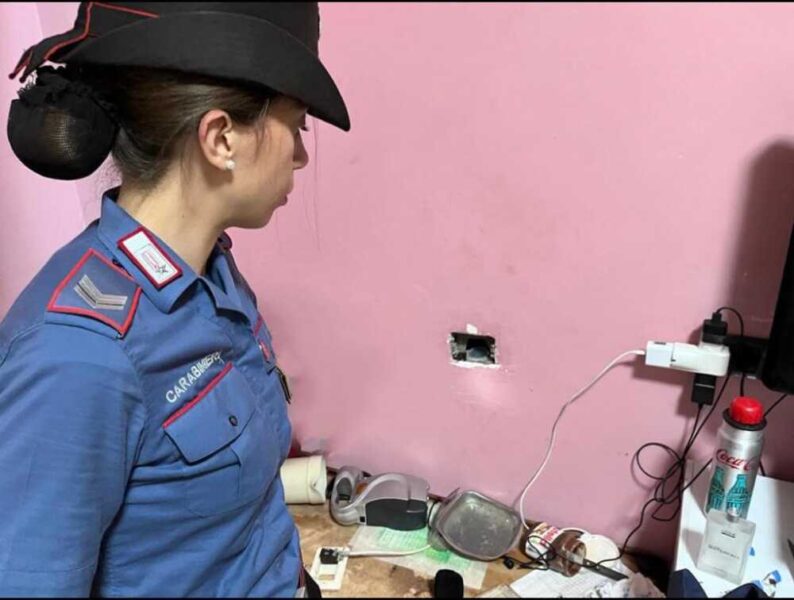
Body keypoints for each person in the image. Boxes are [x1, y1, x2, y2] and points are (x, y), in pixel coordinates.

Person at [0, 2, 349, 597]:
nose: (300, 155)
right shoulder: (76, 356)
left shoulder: (212, 270)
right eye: (295, 127)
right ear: (221, 138)